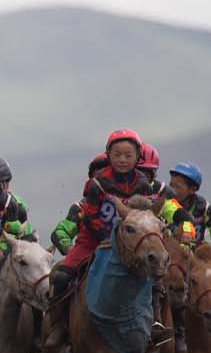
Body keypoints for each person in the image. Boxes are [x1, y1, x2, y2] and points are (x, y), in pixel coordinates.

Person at [49, 129, 154, 324]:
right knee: (62, 277)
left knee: (158, 280)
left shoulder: (144, 184)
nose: (122, 160)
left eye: (128, 155)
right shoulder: (96, 184)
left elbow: (146, 217)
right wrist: (107, 238)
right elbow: (90, 216)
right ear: (109, 155)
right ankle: (58, 327)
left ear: (138, 156)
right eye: (117, 155)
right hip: (92, 241)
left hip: (131, 244)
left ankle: (155, 327)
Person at [159, 161, 211, 345]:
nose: (173, 188)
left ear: (192, 188)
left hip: (197, 260)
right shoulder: (165, 204)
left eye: (178, 186)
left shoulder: (204, 208)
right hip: (172, 259)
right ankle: (171, 330)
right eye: (171, 184)